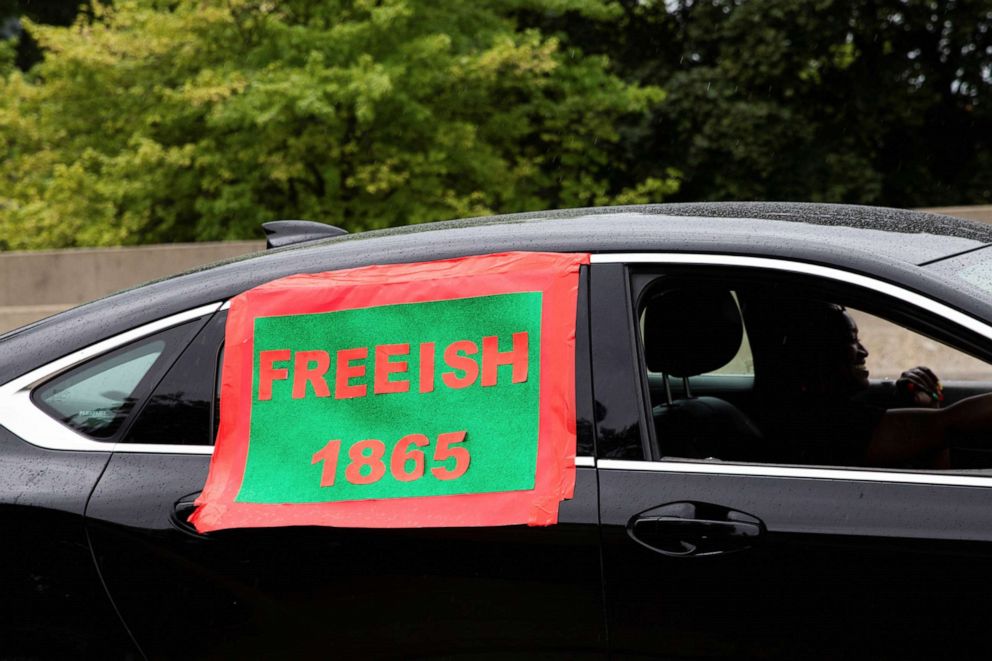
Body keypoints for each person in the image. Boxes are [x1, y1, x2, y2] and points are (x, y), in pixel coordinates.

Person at [744, 298, 992, 469]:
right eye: (851, 341)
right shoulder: (829, 425)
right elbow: (948, 426)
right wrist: (934, 414)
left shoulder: (820, 413)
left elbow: (939, 445)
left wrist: (932, 408)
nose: (864, 352)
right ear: (819, 353)